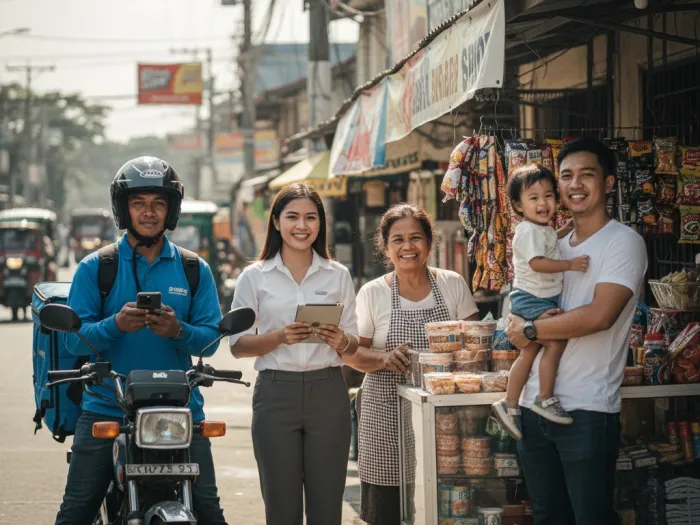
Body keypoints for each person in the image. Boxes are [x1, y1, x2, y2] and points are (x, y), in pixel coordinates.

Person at [55, 157, 228, 525]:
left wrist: (177, 330)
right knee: (76, 510)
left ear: (171, 210)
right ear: (124, 209)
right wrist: (115, 325)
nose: (149, 212)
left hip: (180, 413)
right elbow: (74, 343)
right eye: (139, 203)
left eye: (158, 203)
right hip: (108, 410)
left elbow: (210, 341)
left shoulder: (194, 269)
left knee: (210, 512)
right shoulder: (95, 268)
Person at [506, 138, 647, 525]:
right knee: (549, 518)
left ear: (610, 182)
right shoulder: (553, 243)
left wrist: (531, 329)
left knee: (591, 518)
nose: (575, 184)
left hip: (586, 409)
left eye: (587, 174)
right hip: (535, 406)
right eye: (566, 175)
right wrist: (516, 325)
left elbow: (598, 316)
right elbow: (519, 301)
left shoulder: (624, 242)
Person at [228, 183, 360, 525]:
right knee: (282, 509)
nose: (302, 226)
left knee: (327, 508)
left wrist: (340, 340)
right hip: (275, 393)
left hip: (329, 392)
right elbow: (237, 345)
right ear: (276, 222)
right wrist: (279, 337)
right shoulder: (254, 277)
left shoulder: (338, 274)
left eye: (311, 218)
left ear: (320, 224)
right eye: (293, 217)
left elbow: (354, 342)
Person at [343, 204, 479, 525]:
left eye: (416, 238)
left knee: (444, 505)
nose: (408, 247)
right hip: (385, 416)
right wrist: (383, 359)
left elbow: (476, 343)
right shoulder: (373, 293)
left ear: (430, 243)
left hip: (446, 418)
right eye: (398, 239)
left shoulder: (452, 284)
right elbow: (352, 355)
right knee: (388, 510)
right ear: (385, 246)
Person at [492, 164, 589, 439]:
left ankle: (509, 404)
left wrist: (563, 230)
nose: (543, 203)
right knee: (555, 342)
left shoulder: (540, 228)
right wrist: (569, 264)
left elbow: (547, 242)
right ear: (518, 205)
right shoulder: (530, 231)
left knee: (529, 351)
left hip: (528, 297)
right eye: (533, 198)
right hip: (534, 298)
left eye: (548, 195)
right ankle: (545, 398)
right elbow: (537, 262)